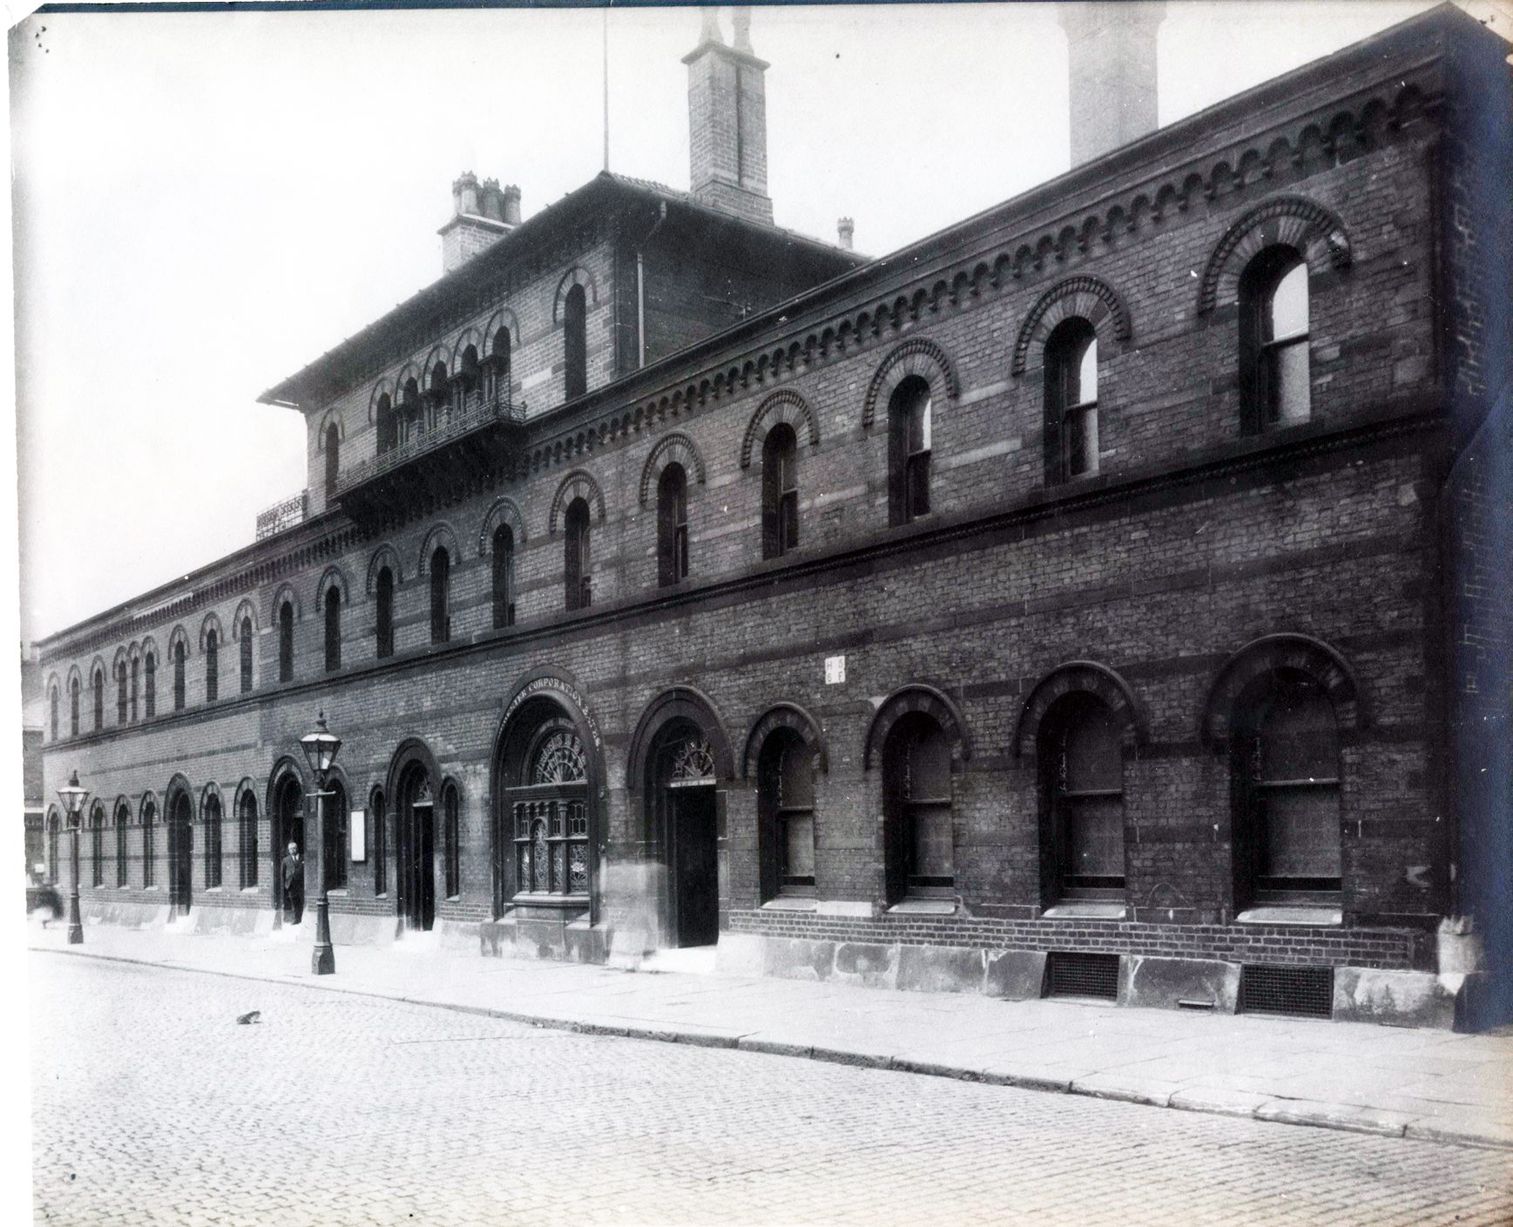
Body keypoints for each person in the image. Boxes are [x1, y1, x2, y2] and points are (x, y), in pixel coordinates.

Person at [281, 840, 304, 924]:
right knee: (294, 901)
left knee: (301, 900)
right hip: (291, 884)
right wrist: (286, 883)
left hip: (301, 884)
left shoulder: (303, 857)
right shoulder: (285, 860)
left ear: (297, 848)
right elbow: (283, 873)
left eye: (294, 848)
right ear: (288, 850)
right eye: (291, 849)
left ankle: (301, 917)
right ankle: (296, 919)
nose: (293, 850)